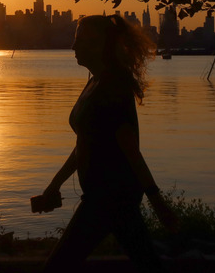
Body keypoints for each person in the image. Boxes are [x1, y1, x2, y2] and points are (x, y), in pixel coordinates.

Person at [38, 14, 179, 273]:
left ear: (98, 43)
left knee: (57, 267)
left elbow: (130, 149)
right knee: (148, 264)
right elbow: (85, 142)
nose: (73, 47)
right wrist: (54, 185)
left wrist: (158, 202)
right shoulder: (95, 82)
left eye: (79, 40)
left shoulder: (114, 86)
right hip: (104, 197)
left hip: (110, 198)